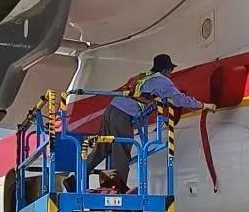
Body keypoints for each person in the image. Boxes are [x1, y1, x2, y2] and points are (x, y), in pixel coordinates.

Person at [87, 53, 216, 193]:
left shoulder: (144, 76)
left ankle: (77, 177)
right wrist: (203, 105)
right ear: (165, 70)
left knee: (102, 147)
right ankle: (117, 189)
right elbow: (179, 99)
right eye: (170, 70)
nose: (171, 74)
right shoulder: (162, 81)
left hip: (111, 109)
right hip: (123, 114)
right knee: (122, 149)